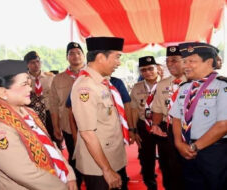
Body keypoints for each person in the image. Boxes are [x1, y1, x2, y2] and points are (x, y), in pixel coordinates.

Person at [0, 60, 77, 190]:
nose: (30, 88)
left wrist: (69, 175)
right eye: (24, 84)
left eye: (29, 83)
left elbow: (50, 146)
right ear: (3, 92)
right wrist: (62, 186)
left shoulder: (29, 113)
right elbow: (27, 174)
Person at [71, 37, 128, 190]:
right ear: (101, 57)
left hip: (112, 157)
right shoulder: (86, 87)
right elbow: (87, 133)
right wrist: (107, 170)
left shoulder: (102, 82)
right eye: (117, 57)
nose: (119, 62)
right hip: (99, 167)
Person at [169, 42, 227, 190]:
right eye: (184, 61)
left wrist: (194, 147)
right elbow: (176, 117)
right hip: (186, 150)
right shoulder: (185, 88)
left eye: (191, 61)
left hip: (214, 152)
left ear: (209, 62)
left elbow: (223, 125)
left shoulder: (222, 86)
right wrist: (178, 143)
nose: (185, 65)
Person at [50, 42, 85, 189]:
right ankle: (76, 183)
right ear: (67, 57)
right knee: (74, 156)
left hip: (92, 124)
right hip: (68, 126)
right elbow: (53, 105)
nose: (75, 56)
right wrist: (56, 127)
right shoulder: (58, 79)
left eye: (78, 52)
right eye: (71, 53)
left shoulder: (91, 75)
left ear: (83, 55)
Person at [151, 46, 186, 190]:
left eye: (175, 60)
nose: (170, 64)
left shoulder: (193, 81)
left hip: (188, 129)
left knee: (189, 167)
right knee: (169, 167)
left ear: (184, 61)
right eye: (168, 61)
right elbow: (158, 109)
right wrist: (156, 125)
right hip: (168, 130)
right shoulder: (163, 84)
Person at [130, 56, 161, 190]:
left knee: (167, 158)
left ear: (157, 69)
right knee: (146, 158)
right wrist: (134, 130)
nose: (147, 72)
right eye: (143, 70)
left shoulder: (166, 84)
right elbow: (134, 110)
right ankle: (150, 185)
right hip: (144, 126)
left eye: (150, 68)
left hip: (162, 125)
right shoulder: (137, 87)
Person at [24, 51, 55, 140]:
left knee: (53, 138)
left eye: (38, 61)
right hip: (32, 113)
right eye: (32, 62)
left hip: (49, 112)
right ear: (27, 65)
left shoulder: (50, 77)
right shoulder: (24, 79)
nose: (36, 64)